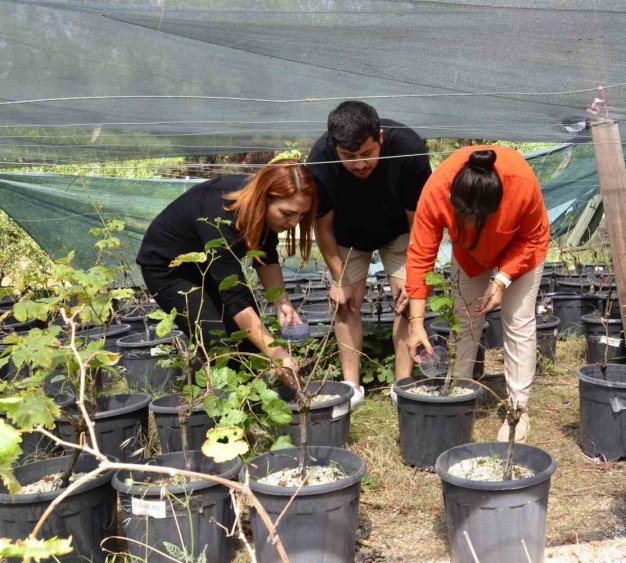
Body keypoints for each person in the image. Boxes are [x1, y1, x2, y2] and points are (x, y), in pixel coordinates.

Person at [405, 146, 550, 441]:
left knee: (518, 320)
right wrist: (416, 322)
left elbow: (532, 237)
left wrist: (501, 280)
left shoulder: (520, 181)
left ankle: (517, 411)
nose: (471, 224)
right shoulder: (435, 191)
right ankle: (460, 392)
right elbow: (421, 254)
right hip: (468, 256)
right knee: (464, 319)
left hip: (520, 251)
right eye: (464, 217)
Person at [137, 160, 316, 383]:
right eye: (288, 213)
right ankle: (220, 405)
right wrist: (277, 353)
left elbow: (266, 256)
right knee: (217, 339)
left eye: (301, 215)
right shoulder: (220, 215)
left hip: (208, 265)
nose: (294, 222)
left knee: (248, 341)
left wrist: (282, 302)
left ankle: (251, 403)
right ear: (266, 197)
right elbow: (236, 299)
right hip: (169, 270)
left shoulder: (260, 211)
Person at [307, 101, 431, 409]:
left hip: (401, 231)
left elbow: (420, 222)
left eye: (366, 154)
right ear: (335, 148)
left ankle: (401, 385)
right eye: (349, 158)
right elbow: (322, 227)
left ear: (380, 138)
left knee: (407, 299)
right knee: (345, 303)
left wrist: (414, 278)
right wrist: (339, 279)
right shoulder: (319, 160)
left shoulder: (409, 147)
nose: (359, 164)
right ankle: (352, 387)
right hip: (346, 235)